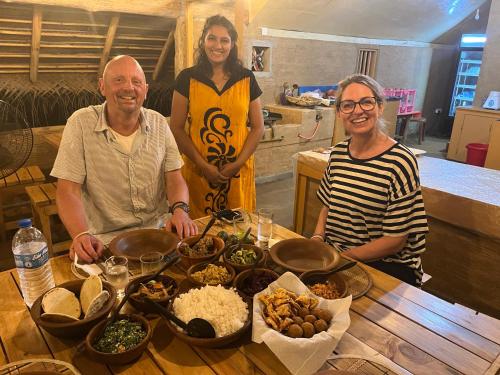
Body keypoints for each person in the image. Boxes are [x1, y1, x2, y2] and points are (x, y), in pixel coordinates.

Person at [51, 55, 198, 263]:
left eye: (136, 82)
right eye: (118, 80)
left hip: (159, 234)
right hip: (104, 242)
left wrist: (181, 210)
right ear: (102, 86)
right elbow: (68, 190)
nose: (129, 88)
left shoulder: (159, 123)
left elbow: (174, 177)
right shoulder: (80, 123)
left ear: (145, 90)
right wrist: (80, 234)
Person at [311, 74, 428, 287]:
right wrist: (318, 237)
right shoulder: (337, 154)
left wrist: (341, 259)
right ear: (339, 112)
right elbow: (327, 205)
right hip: (337, 255)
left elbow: (395, 241)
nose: (357, 111)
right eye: (348, 105)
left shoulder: (400, 161)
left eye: (366, 102)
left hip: (386, 264)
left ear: (380, 106)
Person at [170, 15, 264, 218]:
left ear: (232, 45)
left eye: (224, 40)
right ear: (203, 41)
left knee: (238, 233)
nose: (217, 45)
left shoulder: (246, 78)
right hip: (199, 172)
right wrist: (203, 166)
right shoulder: (187, 78)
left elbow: (258, 127)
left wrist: (237, 164)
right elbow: (176, 128)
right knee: (200, 236)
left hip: (237, 173)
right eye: (212, 38)